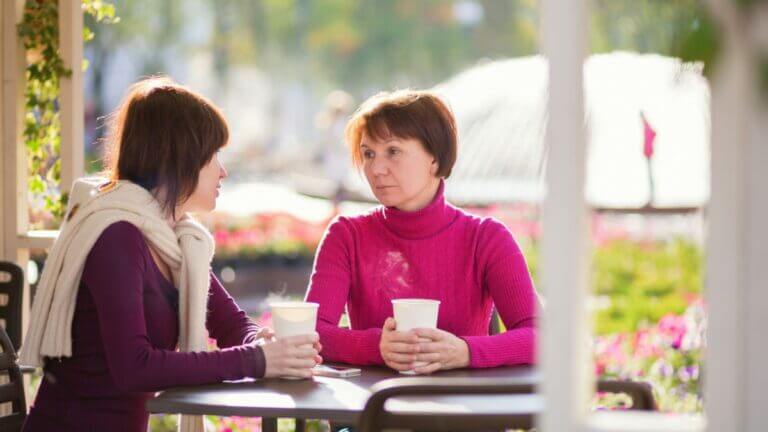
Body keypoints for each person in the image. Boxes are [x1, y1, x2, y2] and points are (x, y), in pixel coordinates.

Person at [20, 77, 322, 432]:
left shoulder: (174, 239)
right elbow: (135, 367)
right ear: (179, 157)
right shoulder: (117, 236)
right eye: (212, 156)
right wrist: (256, 360)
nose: (222, 170)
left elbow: (231, 324)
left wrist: (262, 342)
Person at [305, 90, 537, 374]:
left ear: (436, 160)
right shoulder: (347, 235)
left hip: (466, 411)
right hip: (373, 411)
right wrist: (377, 346)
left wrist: (464, 351)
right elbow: (313, 331)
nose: (376, 168)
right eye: (368, 154)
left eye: (393, 151)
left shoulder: (486, 238)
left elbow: (538, 336)